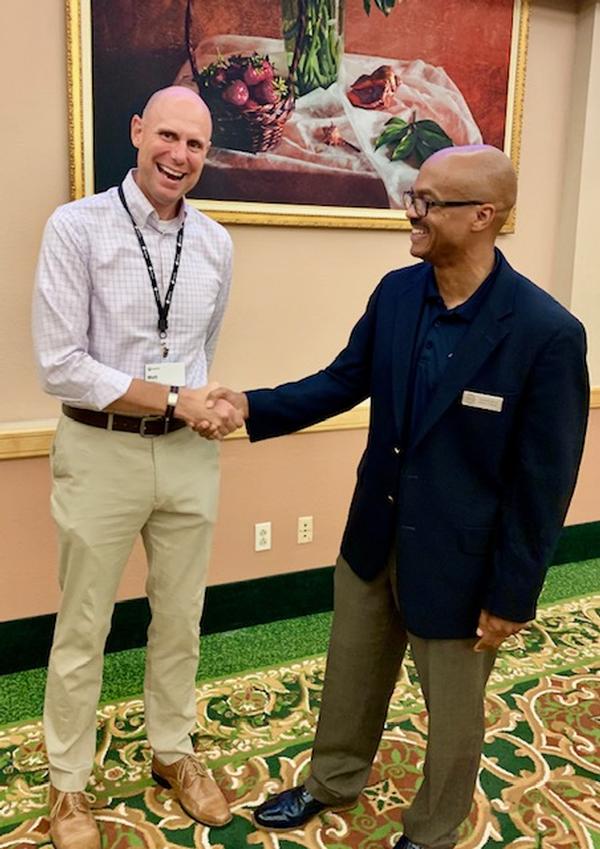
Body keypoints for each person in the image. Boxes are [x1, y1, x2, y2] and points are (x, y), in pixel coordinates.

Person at [206, 146, 589, 849]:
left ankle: (434, 829)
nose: (408, 212)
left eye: (427, 201)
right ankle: (332, 780)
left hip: (462, 565)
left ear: (484, 216)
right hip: (373, 538)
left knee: (454, 713)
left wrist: (512, 596)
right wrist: (250, 405)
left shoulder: (546, 334)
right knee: (351, 675)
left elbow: (544, 484)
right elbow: (340, 380)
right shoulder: (396, 293)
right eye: (412, 195)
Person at [32, 86, 244, 849]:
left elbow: (201, 354)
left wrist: (207, 406)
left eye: (194, 144)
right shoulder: (76, 227)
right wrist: (180, 396)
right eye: (166, 136)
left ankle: (173, 751)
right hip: (101, 448)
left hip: (188, 456)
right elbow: (60, 365)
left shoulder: (217, 243)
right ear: (136, 132)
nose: (179, 155)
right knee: (83, 623)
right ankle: (67, 786)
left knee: (182, 616)